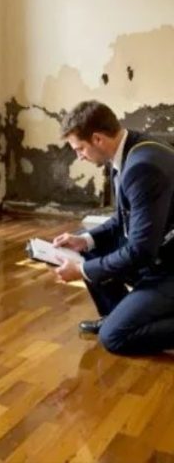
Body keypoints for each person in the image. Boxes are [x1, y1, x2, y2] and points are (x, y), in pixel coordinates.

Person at [52, 100, 174, 355]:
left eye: (80, 149)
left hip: (168, 265)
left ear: (97, 139)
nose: (79, 156)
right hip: (160, 250)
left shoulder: (142, 167)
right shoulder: (130, 150)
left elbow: (140, 250)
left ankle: (120, 323)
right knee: (86, 246)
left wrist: (82, 270)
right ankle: (118, 314)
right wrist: (84, 240)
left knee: (115, 338)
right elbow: (125, 220)